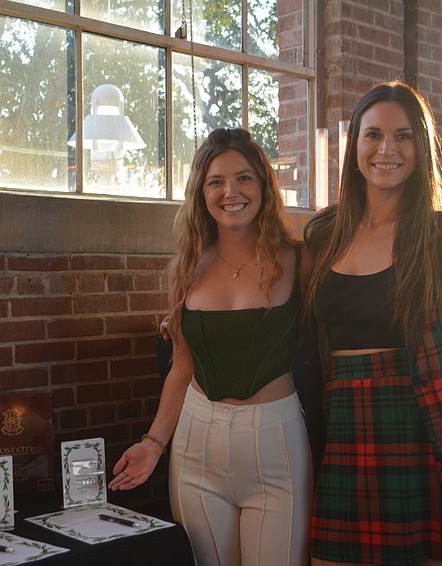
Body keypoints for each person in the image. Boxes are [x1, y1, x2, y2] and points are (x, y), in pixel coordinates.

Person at [304, 80, 442, 566]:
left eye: (403, 136)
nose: (386, 150)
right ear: (354, 145)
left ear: (421, 147)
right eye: (372, 135)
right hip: (340, 433)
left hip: (423, 432)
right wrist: (185, 319)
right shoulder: (324, 234)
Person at [109, 127, 313, 566]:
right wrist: (152, 443)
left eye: (244, 178)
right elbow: (182, 369)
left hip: (276, 446)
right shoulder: (185, 269)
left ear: (263, 185)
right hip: (197, 450)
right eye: (216, 181)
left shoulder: (299, 260)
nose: (230, 192)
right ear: (202, 192)